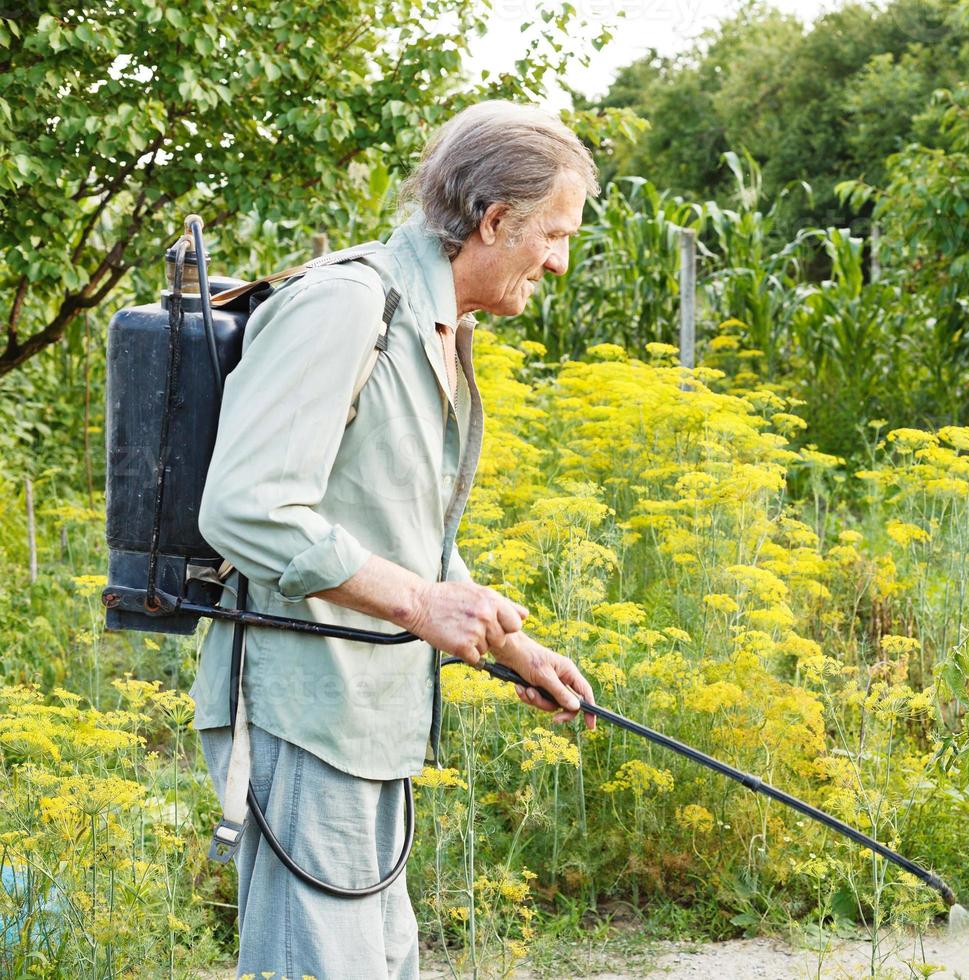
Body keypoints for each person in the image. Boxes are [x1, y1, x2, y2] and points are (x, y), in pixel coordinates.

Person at [188, 100, 600, 980]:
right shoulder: (345, 306)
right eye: (554, 235)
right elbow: (244, 507)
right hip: (303, 708)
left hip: (372, 713)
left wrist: (512, 646)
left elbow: (400, 528)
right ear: (495, 221)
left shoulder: (439, 326)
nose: (559, 261)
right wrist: (418, 603)